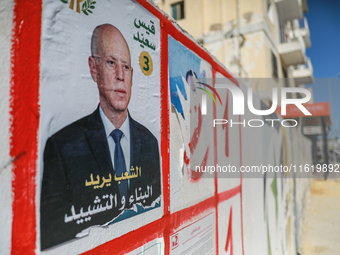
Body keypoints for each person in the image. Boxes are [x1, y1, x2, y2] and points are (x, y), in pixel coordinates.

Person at [40, 24, 161, 250]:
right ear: (94, 68)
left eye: (126, 67)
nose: (120, 76)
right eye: (111, 63)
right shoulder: (63, 146)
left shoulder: (149, 143)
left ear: (132, 75)